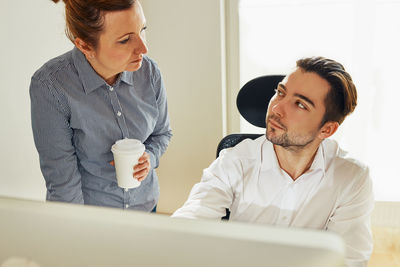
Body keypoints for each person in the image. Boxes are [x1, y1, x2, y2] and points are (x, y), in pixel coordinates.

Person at [172, 57, 373, 266]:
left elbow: (348, 259)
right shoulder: (236, 160)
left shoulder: (351, 177)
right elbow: (190, 223)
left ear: (327, 129)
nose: (277, 108)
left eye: (300, 104)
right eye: (280, 93)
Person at [30, 0, 172, 212]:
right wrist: (80, 234)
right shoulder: (51, 87)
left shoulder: (150, 73)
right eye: (125, 40)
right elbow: (63, 184)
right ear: (85, 46)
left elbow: (162, 134)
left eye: (142, 29)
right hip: (91, 220)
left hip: (146, 208)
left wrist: (149, 157)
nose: (144, 48)